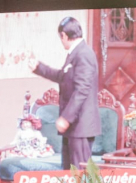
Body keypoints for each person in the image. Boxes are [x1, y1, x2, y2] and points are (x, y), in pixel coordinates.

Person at [28, 17, 101, 170]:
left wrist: (66, 118)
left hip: (80, 126)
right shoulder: (75, 53)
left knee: (80, 176)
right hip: (74, 127)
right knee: (70, 173)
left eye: (60, 38)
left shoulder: (84, 54)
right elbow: (63, 77)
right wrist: (38, 68)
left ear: (64, 36)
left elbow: (82, 90)